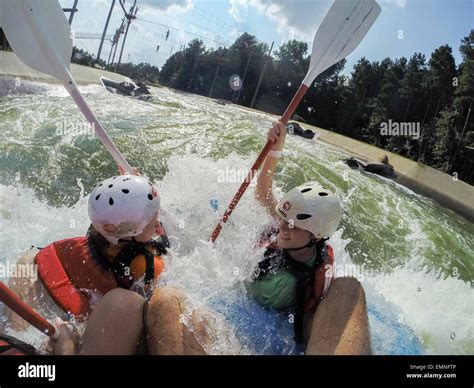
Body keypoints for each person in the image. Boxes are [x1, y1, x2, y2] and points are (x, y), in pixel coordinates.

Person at [249, 121, 372, 355]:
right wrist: (277, 147)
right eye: (282, 219)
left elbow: (244, 293)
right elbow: (262, 192)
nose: (282, 228)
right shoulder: (302, 233)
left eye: (292, 226)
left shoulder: (283, 284)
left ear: (315, 237)